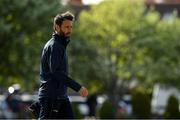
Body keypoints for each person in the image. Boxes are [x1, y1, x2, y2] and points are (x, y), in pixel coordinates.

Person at [38, 11, 88, 119]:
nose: (69, 30)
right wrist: (78, 88)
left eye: (71, 27)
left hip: (61, 97)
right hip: (52, 98)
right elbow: (56, 72)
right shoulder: (55, 46)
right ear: (57, 27)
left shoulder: (60, 45)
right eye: (66, 27)